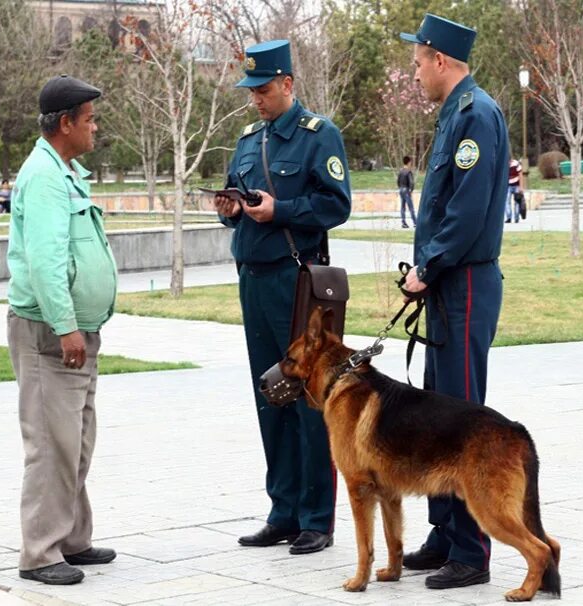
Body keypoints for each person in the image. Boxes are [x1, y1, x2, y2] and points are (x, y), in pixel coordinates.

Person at [214, 40, 351, 556]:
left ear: (288, 85)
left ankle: (317, 517)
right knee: (270, 396)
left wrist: (283, 210)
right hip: (253, 279)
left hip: (297, 284)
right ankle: (283, 511)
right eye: (251, 91)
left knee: (309, 400)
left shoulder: (320, 136)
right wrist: (230, 209)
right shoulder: (249, 140)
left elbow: (337, 205)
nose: (257, 100)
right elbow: (234, 194)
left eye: (265, 90)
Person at [398, 13, 509, 590]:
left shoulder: (476, 115)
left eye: (417, 62)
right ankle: (445, 535)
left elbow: (465, 212)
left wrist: (429, 266)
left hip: (462, 283)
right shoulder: (453, 116)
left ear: (440, 59)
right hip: (446, 284)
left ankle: (472, 552)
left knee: (462, 423)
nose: (414, 73)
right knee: (435, 418)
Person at [6, 75, 118, 586]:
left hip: (76, 332)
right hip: (51, 334)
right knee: (51, 443)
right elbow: (46, 261)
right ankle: (40, 552)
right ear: (66, 123)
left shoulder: (66, 171)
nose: (96, 126)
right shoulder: (45, 177)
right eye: (90, 119)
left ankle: (71, 538)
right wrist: (67, 325)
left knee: (76, 439)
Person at [398, 155, 416, 228]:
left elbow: (398, 181)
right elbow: (411, 182)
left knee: (402, 207)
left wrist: (400, 187)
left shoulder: (401, 171)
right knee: (411, 207)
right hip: (406, 190)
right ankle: (415, 222)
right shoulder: (408, 172)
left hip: (401, 189)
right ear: (408, 162)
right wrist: (411, 190)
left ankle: (403, 222)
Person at [504, 157, 523, 223]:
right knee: (507, 201)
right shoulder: (504, 164)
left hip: (516, 185)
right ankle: (509, 217)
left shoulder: (516, 163)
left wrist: (521, 186)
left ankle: (516, 218)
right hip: (508, 186)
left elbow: (520, 175)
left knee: (517, 202)